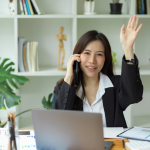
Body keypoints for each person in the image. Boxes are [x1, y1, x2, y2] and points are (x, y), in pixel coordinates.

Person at [52, 15, 143, 128]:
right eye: (87, 53)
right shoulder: (63, 87)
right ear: (77, 56)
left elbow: (134, 96)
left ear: (105, 58)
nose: (92, 61)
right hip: (77, 146)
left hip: (112, 145)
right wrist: (69, 78)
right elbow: (57, 123)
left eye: (99, 54)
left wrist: (128, 49)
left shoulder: (116, 85)